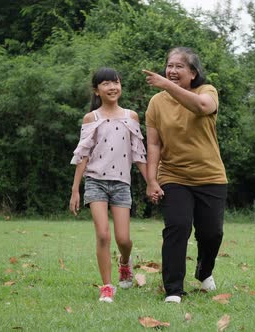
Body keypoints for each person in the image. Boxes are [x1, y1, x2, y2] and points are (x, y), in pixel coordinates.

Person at [143, 47, 228, 304]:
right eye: (169, 65)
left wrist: (167, 85)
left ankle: (204, 272)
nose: (172, 70)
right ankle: (173, 290)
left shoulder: (207, 91)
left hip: (210, 175)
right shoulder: (156, 103)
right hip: (173, 175)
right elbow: (154, 145)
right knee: (177, 227)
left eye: (179, 66)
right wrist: (151, 179)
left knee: (211, 233)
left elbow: (202, 107)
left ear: (193, 73)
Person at [69, 67, 148, 303]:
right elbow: (83, 155)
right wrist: (75, 190)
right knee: (103, 235)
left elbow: (138, 154)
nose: (112, 87)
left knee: (123, 239)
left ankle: (125, 262)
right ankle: (106, 287)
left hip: (121, 184)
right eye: (105, 84)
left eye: (115, 82)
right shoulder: (91, 119)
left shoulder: (130, 117)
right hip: (95, 182)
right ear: (97, 90)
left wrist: (151, 182)